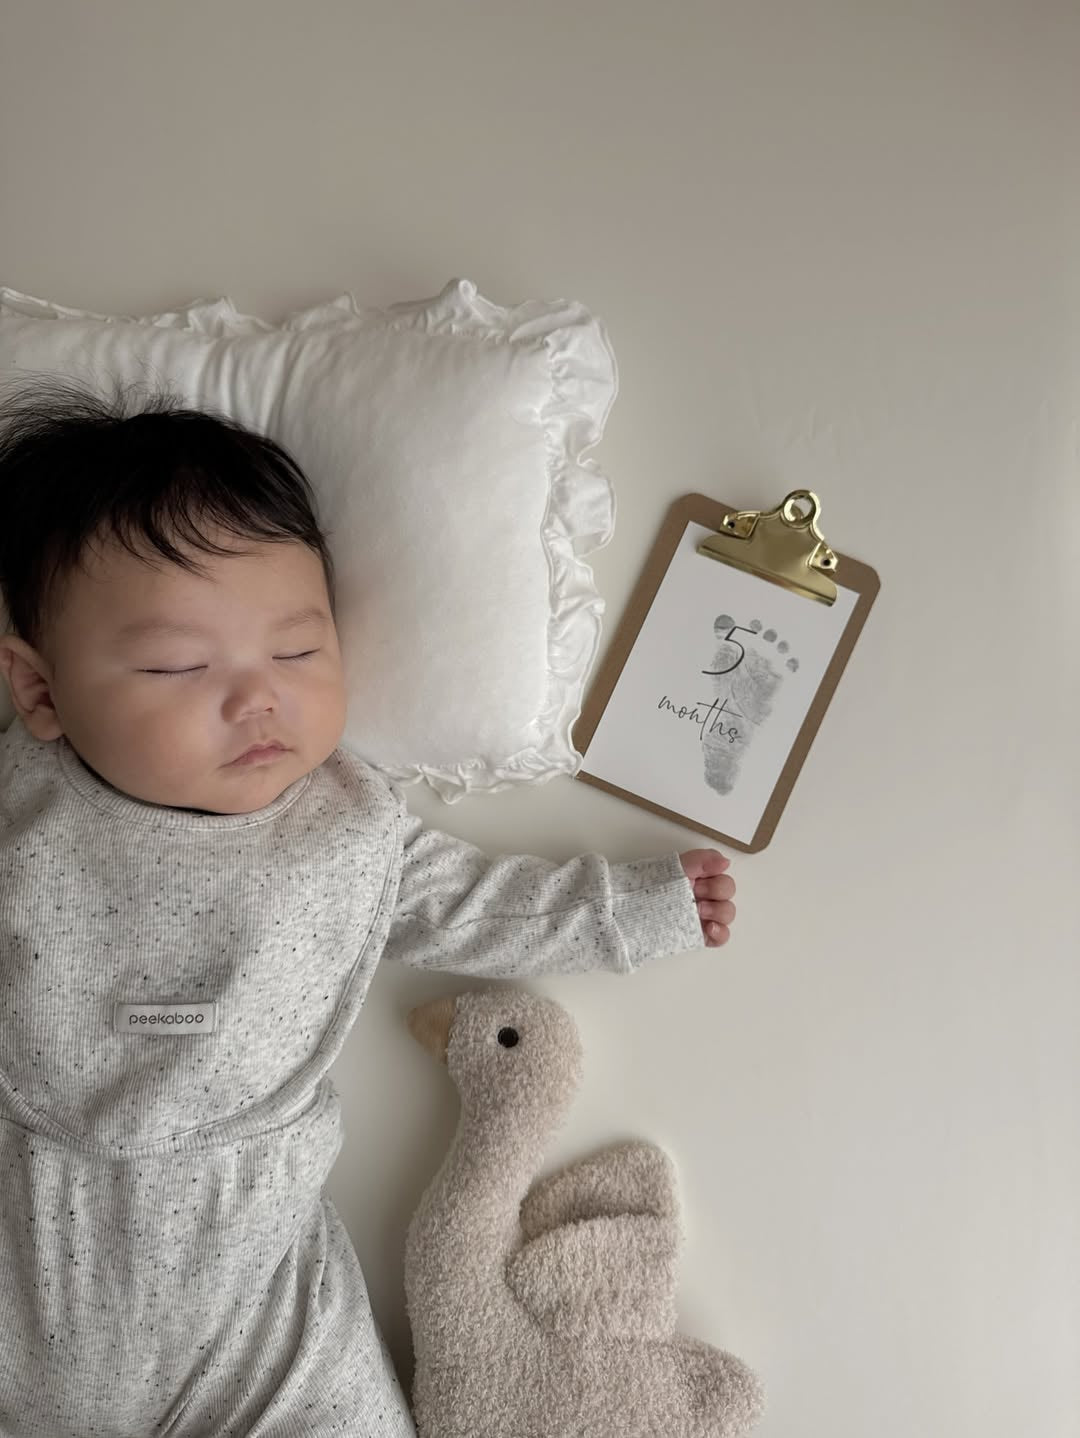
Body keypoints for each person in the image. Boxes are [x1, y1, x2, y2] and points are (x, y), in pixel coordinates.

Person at [0, 380, 737, 1436]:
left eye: (297, 651)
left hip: (257, 1308)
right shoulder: (22, 817)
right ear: (39, 691)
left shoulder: (342, 835)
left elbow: (481, 904)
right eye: (176, 664)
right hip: (33, 1250)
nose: (257, 695)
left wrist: (633, 908)